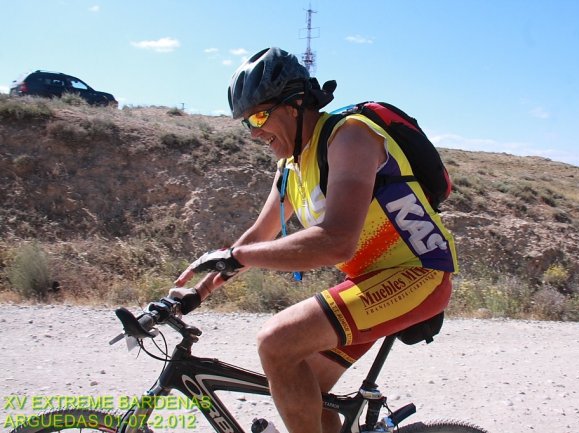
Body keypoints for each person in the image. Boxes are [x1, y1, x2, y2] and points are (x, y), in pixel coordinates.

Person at [170, 47, 458, 433]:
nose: (254, 132)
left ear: (295, 104)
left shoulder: (350, 137)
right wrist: (197, 294)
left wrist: (241, 256)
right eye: (246, 123)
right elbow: (258, 236)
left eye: (259, 116)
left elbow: (337, 241)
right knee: (305, 383)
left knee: (276, 342)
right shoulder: (290, 168)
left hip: (419, 274)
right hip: (369, 281)